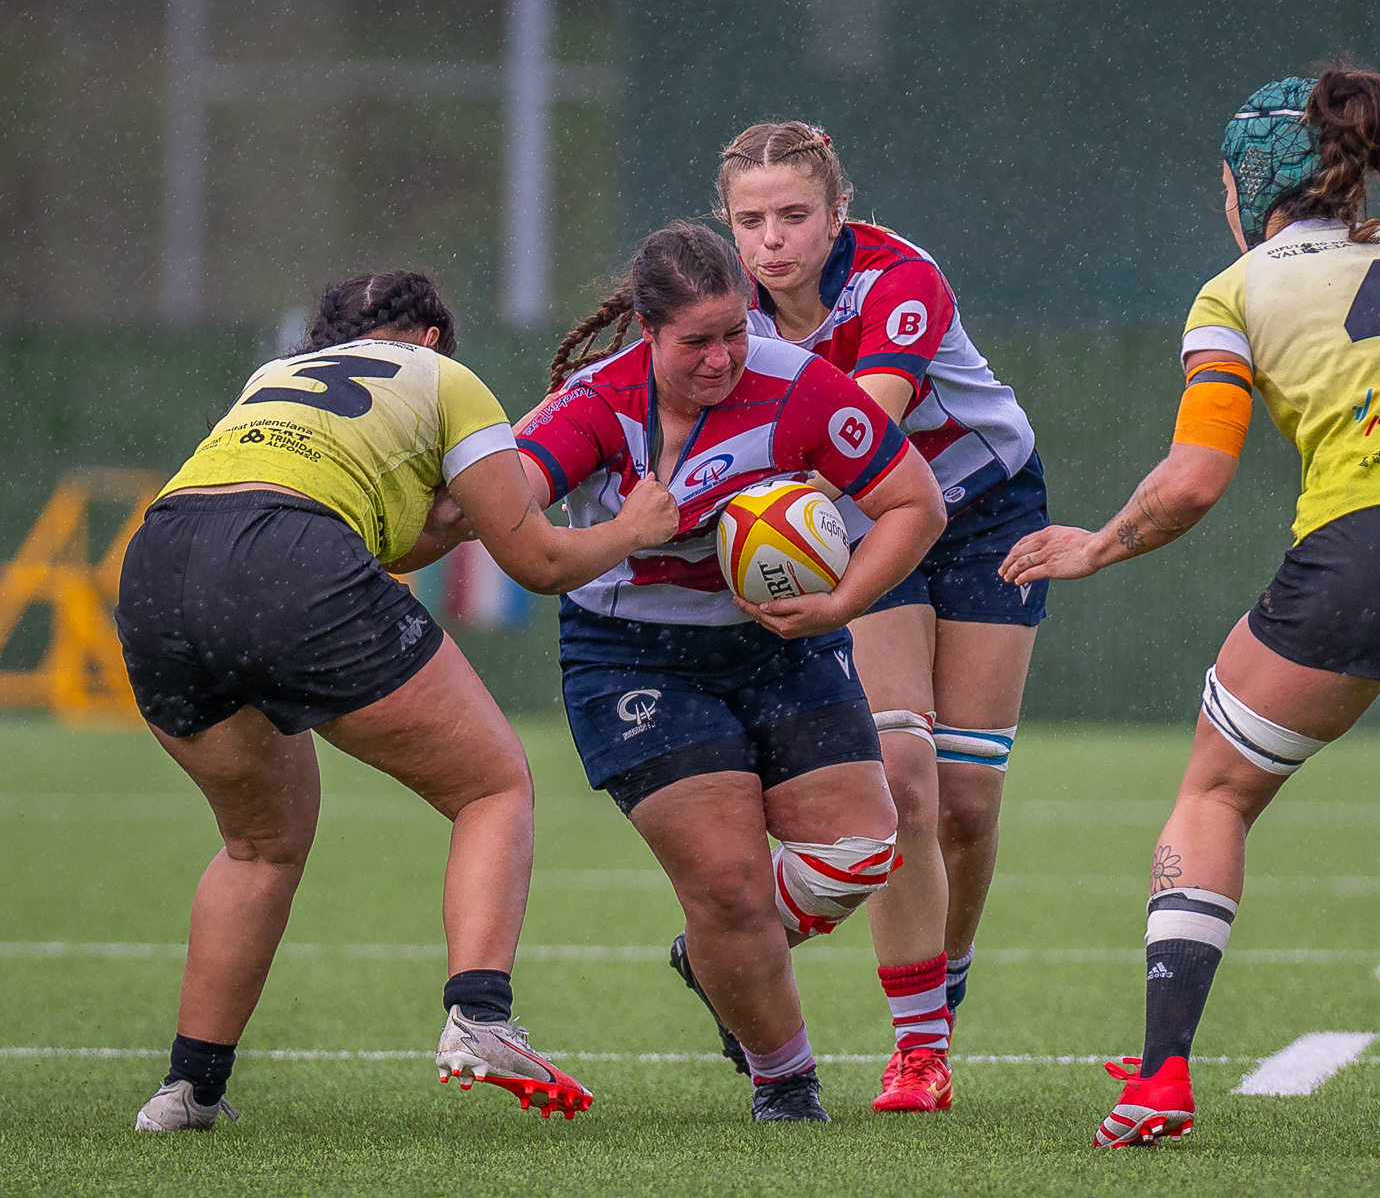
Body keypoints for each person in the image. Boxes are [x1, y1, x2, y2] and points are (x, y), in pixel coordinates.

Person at [1001, 68, 1380, 1149]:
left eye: (1223, 184)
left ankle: (1159, 1075)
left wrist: (1096, 545)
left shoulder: (1236, 290)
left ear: (1251, 185)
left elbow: (1196, 479)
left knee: (1217, 789)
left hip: (1368, 546)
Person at [118, 271, 681, 1131]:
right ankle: (481, 1017)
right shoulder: (443, 378)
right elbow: (536, 561)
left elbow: (367, 530)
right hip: (291, 555)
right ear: (426, 340)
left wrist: (454, 520)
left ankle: (190, 1086)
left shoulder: (272, 379)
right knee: (493, 784)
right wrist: (632, 530)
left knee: (260, 846)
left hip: (157, 566)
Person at [516, 221, 945, 1122]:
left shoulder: (799, 389)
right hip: (630, 653)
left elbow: (915, 503)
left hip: (781, 643)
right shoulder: (596, 401)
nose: (721, 359)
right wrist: (620, 531)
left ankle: (710, 949)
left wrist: (838, 604)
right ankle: (784, 1080)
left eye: (735, 333)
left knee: (860, 855)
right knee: (729, 884)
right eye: (696, 342)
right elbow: (508, 501)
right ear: (646, 328)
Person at [715, 120, 1048, 1113]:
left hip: (984, 508)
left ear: (838, 215)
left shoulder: (901, 279)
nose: (772, 240)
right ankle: (919, 1049)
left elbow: (866, 422)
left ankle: (923, 991)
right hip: (862, 524)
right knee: (903, 772)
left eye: (793, 216)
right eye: (749, 220)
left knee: (968, 800)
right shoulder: (726, 308)